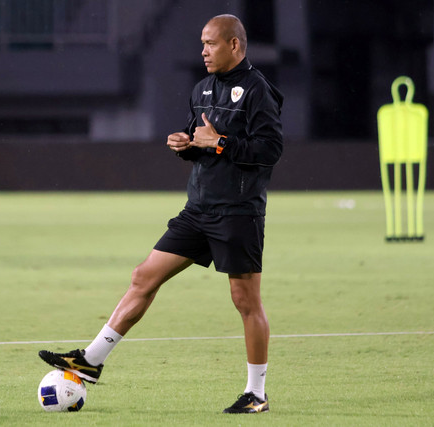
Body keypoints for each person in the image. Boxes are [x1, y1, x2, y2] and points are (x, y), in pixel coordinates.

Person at [38, 14, 283, 414]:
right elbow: (202, 141)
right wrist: (185, 145)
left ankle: (257, 394)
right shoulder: (202, 89)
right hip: (198, 208)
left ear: (235, 45)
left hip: (238, 212)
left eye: (211, 43)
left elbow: (270, 150)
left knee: (245, 300)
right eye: (201, 43)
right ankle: (91, 360)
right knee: (143, 276)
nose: (203, 51)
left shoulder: (258, 91)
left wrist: (218, 141)